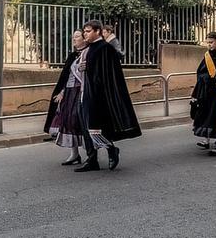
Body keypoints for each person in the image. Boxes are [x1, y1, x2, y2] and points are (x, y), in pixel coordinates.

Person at [74, 20, 142, 171]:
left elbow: (106, 75)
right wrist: (81, 67)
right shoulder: (88, 48)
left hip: (99, 96)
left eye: (88, 31)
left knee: (95, 127)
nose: (85, 34)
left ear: (98, 31)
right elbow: (83, 70)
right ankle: (92, 159)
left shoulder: (105, 48)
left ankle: (111, 149)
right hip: (85, 92)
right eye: (84, 31)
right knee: (86, 127)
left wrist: (89, 69)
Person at [43, 30, 89, 165]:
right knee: (69, 122)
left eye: (77, 37)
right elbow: (66, 76)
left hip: (80, 91)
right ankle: (74, 154)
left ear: (84, 38)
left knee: (80, 121)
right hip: (69, 92)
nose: (74, 39)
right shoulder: (72, 56)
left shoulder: (89, 52)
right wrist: (62, 91)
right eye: (73, 37)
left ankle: (92, 154)